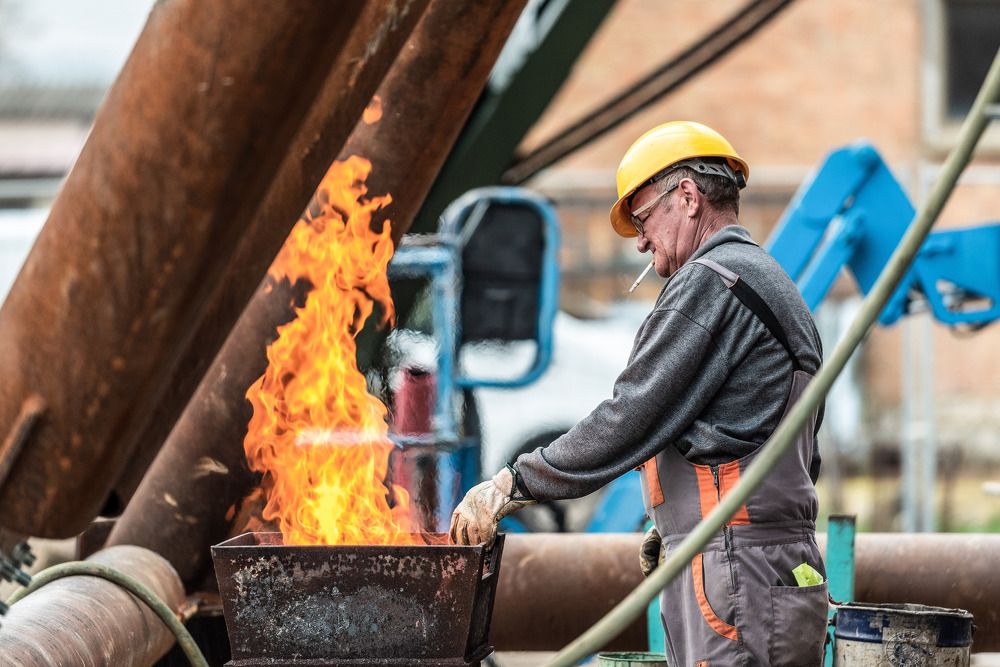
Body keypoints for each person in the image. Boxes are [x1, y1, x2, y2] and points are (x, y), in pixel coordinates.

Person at [450, 121, 828, 666]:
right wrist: (679, 522)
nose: (643, 242)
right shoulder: (768, 282)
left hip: (734, 571)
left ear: (690, 198)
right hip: (770, 569)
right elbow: (785, 449)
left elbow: (631, 415)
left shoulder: (710, 282)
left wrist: (514, 483)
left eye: (644, 219)